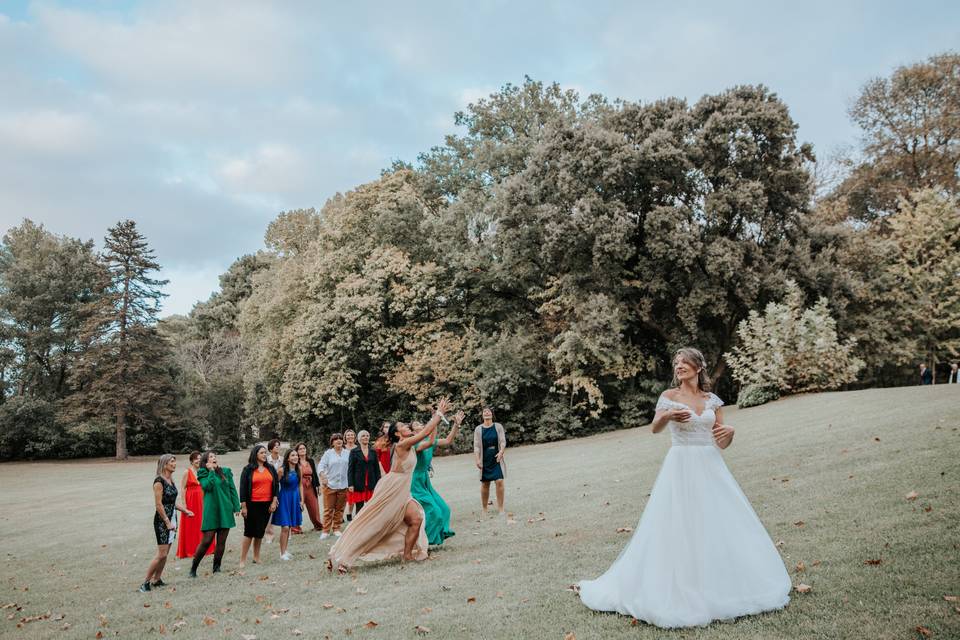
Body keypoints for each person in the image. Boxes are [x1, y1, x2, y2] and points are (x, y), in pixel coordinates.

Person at [577, 347, 790, 628]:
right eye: (676, 363)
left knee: (717, 523)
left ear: (698, 367)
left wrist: (731, 433)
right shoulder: (669, 397)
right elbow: (654, 428)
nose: (679, 366)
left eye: (684, 363)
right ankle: (679, 585)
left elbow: (721, 442)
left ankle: (722, 584)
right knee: (678, 525)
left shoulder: (712, 401)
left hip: (711, 466)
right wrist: (667, 417)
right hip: (680, 465)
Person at [328, 397, 451, 573]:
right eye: (403, 426)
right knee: (375, 525)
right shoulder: (402, 445)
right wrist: (438, 413)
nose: (407, 426)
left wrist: (437, 418)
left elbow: (430, 440)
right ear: (397, 434)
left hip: (403, 490)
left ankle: (407, 555)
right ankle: (343, 558)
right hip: (392, 489)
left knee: (416, 519)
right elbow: (423, 433)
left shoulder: (411, 446)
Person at [141, 454, 192, 592]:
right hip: (162, 521)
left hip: (173, 518)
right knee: (161, 554)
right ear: (164, 465)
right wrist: (167, 522)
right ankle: (145, 583)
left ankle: (157, 580)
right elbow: (159, 505)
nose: (175, 464)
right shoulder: (159, 481)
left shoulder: (171, 480)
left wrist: (185, 511)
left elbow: (171, 503)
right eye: (172, 462)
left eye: (175, 462)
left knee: (165, 554)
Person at [412, 410, 463, 545]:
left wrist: (456, 425)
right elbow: (429, 441)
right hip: (414, 482)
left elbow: (448, 440)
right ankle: (423, 541)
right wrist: (436, 419)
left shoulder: (427, 440)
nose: (420, 425)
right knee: (434, 511)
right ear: (412, 431)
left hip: (425, 480)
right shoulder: (415, 444)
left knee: (444, 509)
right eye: (416, 424)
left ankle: (441, 533)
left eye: (421, 423)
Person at [189, 451, 241, 578]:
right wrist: (211, 471)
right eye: (210, 457)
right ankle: (193, 568)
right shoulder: (202, 473)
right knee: (207, 540)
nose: (214, 458)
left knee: (221, 541)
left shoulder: (226, 471)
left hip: (225, 508)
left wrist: (236, 506)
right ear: (206, 461)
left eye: (215, 456)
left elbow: (232, 489)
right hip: (211, 510)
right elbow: (208, 487)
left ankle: (216, 568)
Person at [238, 444, 279, 568]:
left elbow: (276, 486)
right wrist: (244, 506)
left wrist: (273, 501)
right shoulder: (248, 469)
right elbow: (243, 488)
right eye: (262, 453)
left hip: (266, 505)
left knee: (260, 532)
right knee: (249, 532)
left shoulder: (270, 468)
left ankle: (256, 557)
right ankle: (242, 560)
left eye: (265, 453)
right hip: (252, 505)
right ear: (255, 454)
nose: (264, 455)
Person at [176, 451, 212, 560]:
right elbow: (182, 488)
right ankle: (190, 549)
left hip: (203, 500)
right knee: (191, 524)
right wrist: (184, 504)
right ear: (191, 461)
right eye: (196, 458)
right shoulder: (187, 472)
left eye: (200, 458)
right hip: (191, 501)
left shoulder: (203, 471)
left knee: (203, 523)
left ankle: (206, 547)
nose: (198, 460)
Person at [473, 407, 506, 515]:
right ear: (482, 415)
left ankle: (501, 508)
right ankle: (484, 509)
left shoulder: (498, 426)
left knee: (499, 481)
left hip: (496, 458)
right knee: (485, 484)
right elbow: (477, 446)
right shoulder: (478, 429)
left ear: (492, 414)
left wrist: (501, 452)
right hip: (485, 459)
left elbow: (502, 441)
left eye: (489, 411)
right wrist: (477, 459)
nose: (486, 412)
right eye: (484, 411)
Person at [273, 447, 304, 560]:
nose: (295, 457)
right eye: (292, 455)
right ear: (287, 458)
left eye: (296, 455)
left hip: (295, 498)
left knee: (290, 525)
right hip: (284, 498)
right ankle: (281, 553)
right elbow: (276, 485)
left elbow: (300, 485)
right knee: (285, 527)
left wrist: (302, 500)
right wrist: (274, 499)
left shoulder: (299, 469)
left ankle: (285, 551)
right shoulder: (281, 470)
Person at [318, 433, 350, 539]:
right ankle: (326, 531)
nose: (339, 441)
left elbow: (351, 468)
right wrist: (323, 476)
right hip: (330, 485)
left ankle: (336, 528)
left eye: (340, 439)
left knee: (340, 509)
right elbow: (321, 466)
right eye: (336, 439)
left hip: (343, 485)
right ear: (332, 442)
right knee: (328, 509)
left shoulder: (347, 453)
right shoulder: (328, 454)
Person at [347, 430, 381, 514]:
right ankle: (358, 525)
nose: (365, 437)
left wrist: (379, 482)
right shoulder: (354, 452)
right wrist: (350, 484)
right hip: (358, 483)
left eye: (367, 436)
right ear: (359, 439)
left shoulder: (373, 451)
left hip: (371, 482)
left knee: (371, 506)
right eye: (363, 436)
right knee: (359, 507)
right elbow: (350, 469)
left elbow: (376, 468)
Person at [294, 442, 322, 532]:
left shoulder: (310, 461)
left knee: (314, 507)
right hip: (299, 487)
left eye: (304, 448)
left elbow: (314, 474)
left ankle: (318, 526)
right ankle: (296, 529)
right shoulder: (295, 461)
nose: (302, 450)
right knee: (297, 507)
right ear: (297, 451)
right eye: (300, 449)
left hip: (310, 487)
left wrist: (318, 485)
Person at [264, 439, 283, 543]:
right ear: (270, 448)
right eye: (275, 446)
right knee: (270, 512)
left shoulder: (283, 460)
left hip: (282, 488)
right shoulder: (266, 460)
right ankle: (269, 535)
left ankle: (286, 532)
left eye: (278, 445)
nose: (277, 447)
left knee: (283, 510)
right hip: (269, 489)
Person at [343, 429, 358, 522]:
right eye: (348, 435)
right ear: (345, 437)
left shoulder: (358, 448)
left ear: (355, 437)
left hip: (355, 474)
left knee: (352, 496)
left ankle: (349, 513)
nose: (350, 437)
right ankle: (340, 515)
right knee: (342, 497)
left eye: (352, 435)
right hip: (343, 474)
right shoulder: (343, 448)